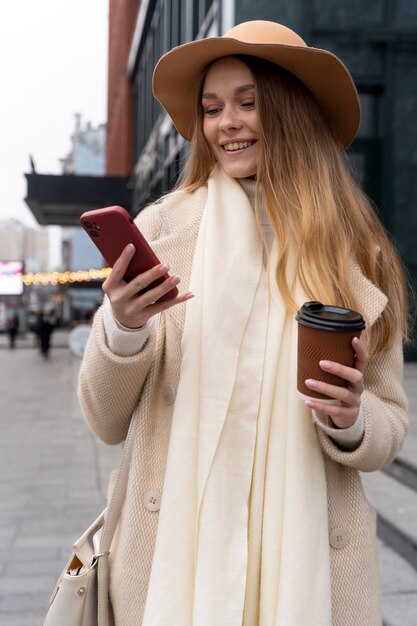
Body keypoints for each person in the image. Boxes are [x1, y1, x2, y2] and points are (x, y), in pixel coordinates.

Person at [78, 21, 410, 626]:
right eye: (211, 108)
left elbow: (389, 428)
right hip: (174, 568)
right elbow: (104, 420)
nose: (225, 122)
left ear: (291, 112)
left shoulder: (360, 255)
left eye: (248, 103)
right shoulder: (162, 230)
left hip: (309, 571)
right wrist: (123, 329)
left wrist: (352, 416)